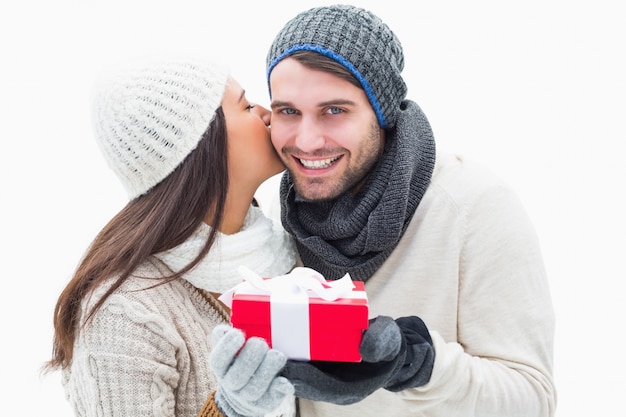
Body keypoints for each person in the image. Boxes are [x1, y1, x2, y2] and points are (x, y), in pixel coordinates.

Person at [262, 4, 556, 416]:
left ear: (381, 112)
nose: (307, 142)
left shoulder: (474, 207)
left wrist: (420, 366)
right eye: (288, 111)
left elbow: (533, 400)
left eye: (335, 110)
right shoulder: (280, 218)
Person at [44, 59, 300, 417]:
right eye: (245, 105)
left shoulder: (285, 256)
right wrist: (230, 410)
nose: (266, 113)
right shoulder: (125, 312)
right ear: (203, 147)